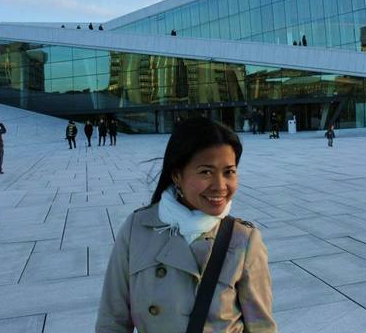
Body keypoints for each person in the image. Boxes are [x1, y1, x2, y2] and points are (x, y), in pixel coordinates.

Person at [96, 117, 276, 332]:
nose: (220, 186)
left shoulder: (244, 240)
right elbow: (112, 321)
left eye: (229, 172)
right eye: (206, 172)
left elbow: (261, 327)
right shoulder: (137, 228)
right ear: (177, 176)